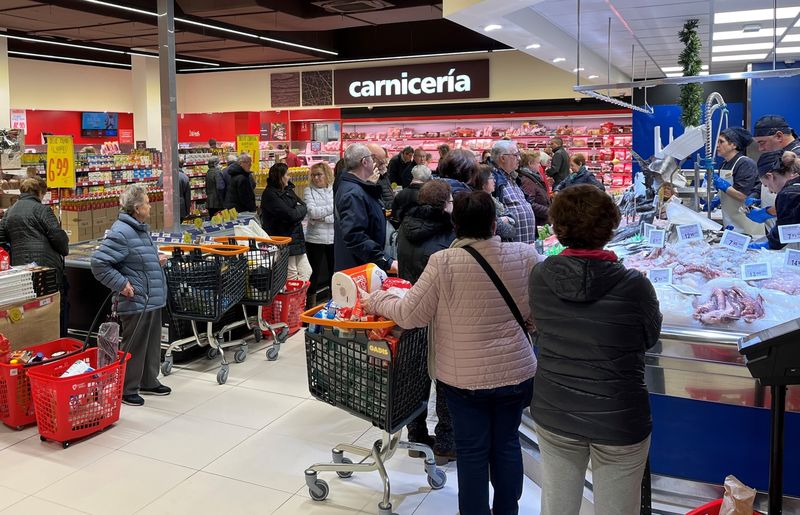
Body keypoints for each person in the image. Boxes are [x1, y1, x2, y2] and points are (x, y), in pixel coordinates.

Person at [364, 191, 540, 515]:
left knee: (472, 451)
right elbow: (542, 308)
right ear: (494, 223)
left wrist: (376, 300)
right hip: (516, 373)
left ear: (455, 224)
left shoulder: (443, 262)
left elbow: (410, 314)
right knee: (506, 443)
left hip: (464, 379)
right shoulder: (525, 255)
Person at [529, 184, 661, 515]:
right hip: (618, 417)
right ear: (610, 227)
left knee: (557, 508)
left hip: (555, 409)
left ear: (558, 227)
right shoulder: (635, 285)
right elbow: (649, 337)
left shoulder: (540, 275)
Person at [394, 180, 457, 464]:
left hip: (411, 307)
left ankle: (416, 433)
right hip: (440, 312)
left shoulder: (406, 226)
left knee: (415, 373)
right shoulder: (448, 231)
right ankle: (445, 441)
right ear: (445, 204)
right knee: (444, 376)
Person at [91, 184, 170, 406]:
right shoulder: (121, 232)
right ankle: (127, 388)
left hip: (150, 297)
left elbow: (136, 259)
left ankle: (148, 381)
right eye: (147, 203)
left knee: (151, 342)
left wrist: (155, 260)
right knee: (135, 345)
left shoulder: (139, 229)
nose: (150, 206)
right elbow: (99, 264)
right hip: (135, 299)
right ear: (137, 208)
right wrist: (121, 284)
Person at [0, 177, 69, 336]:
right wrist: (64, 250)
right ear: (39, 192)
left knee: (30, 308)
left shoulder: (10, 212)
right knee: (53, 305)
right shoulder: (42, 210)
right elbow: (57, 236)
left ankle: (34, 339)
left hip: (21, 270)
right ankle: (57, 338)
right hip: (47, 266)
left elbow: (1, 239)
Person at [334, 143, 397, 273]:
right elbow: (355, 236)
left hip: (362, 265)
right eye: (372, 159)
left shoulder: (355, 187)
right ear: (364, 162)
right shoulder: (353, 193)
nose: (375, 163)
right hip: (358, 268)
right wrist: (384, 260)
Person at [707, 127, 763, 235]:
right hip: (731, 219)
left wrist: (723, 185)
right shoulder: (724, 164)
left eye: (721, 142)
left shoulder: (745, 163)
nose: (717, 145)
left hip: (745, 220)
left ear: (734, 145)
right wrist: (718, 198)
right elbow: (728, 191)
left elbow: (742, 195)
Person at [260, 163, 311, 281]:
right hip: (283, 239)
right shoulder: (270, 194)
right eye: (287, 175)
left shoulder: (288, 189)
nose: (289, 177)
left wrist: (295, 211)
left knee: (306, 271)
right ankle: (293, 293)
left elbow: (303, 206)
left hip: (296, 238)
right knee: (291, 274)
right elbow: (290, 215)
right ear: (280, 177)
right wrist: (296, 211)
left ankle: (299, 292)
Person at [751, 115, 800, 231]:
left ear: (779, 136)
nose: (760, 149)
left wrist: (768, 212)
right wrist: (756, 193)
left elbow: (794, 201)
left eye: (762, 142)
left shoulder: (796, 157)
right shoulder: (780, 156)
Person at [748, 151, 800, 251]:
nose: (770, 191)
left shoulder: (788, 194)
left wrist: (769, 243)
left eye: (766, 185)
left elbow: (784, 231)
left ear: (770, 176)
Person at [490, 140, 537, 244]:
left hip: (524, 245)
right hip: (509, 246)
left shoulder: (512, 177)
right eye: (515, 155)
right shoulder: (493, 180)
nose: (519, 158)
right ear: (503, 158)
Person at [304, 162, 335, 307]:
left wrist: (323, 218)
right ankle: (310, 306)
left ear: (327, 174)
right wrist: (332, 209)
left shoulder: (334, 189)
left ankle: (334, 302)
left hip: (333, 238)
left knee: (334, 273)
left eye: (319, 174)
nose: (316, 178)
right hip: (314, 239)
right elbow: (312, 213)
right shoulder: (308, 190)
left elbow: (338, 214)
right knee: (313, 274)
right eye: (313, 175)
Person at [468, 165, 516, 240]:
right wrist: (504, 220)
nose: (495, 180)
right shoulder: (480, 203)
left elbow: (514, 218)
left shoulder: (493, 199)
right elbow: (506, 231)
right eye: (491, 177)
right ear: (483, 181)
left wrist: (505, 219)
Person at [390, 164, 431, 229]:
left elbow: (394, 214)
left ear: (413, 175)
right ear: (427, 179)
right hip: (422, 230)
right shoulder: (428, 195)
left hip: (402, 229)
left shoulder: (401, 193)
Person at [518, 152, 551, 226]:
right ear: (530, 163)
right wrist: (549, 211)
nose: (539, 165)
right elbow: (529, 203)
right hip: (537, 222)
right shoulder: (527, 181)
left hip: (540, 220)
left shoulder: (532, 177)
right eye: (538, 162)